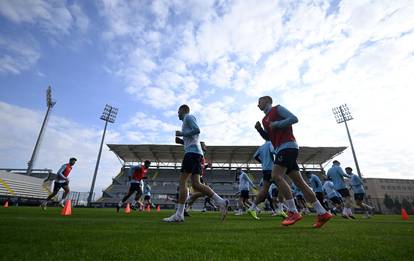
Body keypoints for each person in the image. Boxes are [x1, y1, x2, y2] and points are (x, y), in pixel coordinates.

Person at [255, 96, 332, 228]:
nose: (258, 105)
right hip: (280, 149)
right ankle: (322, 212)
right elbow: (270, 138)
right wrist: (260, 130)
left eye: (260, 102)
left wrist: (278, 124)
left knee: (276, 176)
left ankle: (293, 212)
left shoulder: (277, 109)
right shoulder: (264, 120)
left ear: (268, 101)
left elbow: (294, 118)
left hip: (288, 146)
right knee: (300, 183)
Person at [163, 104, 228, 222]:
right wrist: (182, 141)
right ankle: (221, 201)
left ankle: (179, 214)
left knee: (183, 182)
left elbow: (197, 130)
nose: (177, 114)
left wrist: (181, 134)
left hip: (191, 154)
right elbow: (193, 138)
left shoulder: (188, 117)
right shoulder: (187, 120)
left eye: (178, 112)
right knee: (196, 184)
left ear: (183, 110)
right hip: (197, 154)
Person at [247, 141, 283, 219]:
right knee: (283, 187)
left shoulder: (261, 147)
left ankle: (252, 208)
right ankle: (281, 210)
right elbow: (275, 152)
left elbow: (255, 156)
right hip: (272, 169)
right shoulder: (271, 143)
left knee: (264, 191)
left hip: (265, 170)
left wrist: (262, 161)